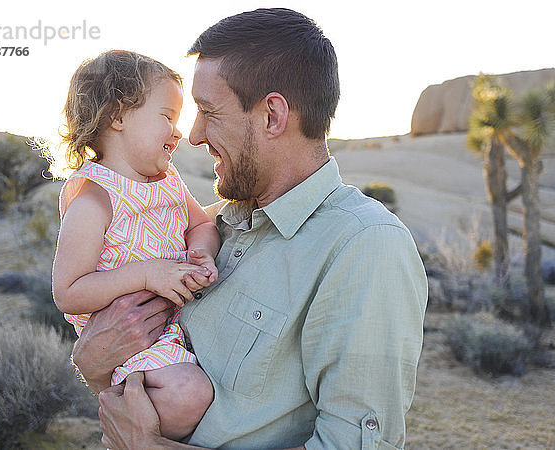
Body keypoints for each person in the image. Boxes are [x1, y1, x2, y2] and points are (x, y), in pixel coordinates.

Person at [74, 8, 428, 449]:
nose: (194, 135)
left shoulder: (364, 247)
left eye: (208, 112)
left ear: (272, 117)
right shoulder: (206, 226)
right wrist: (92, 364)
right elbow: (132, 382)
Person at [51, 49, 220, 441]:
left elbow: (202, 225)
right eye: (167, 117)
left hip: (173, 326)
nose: (178, 132)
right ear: (118, 116)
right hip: (131, 344)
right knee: (188, 395)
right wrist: (146, 274)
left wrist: (203, 252)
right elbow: (68, 292)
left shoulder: (167, 181)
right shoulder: (94, 200)